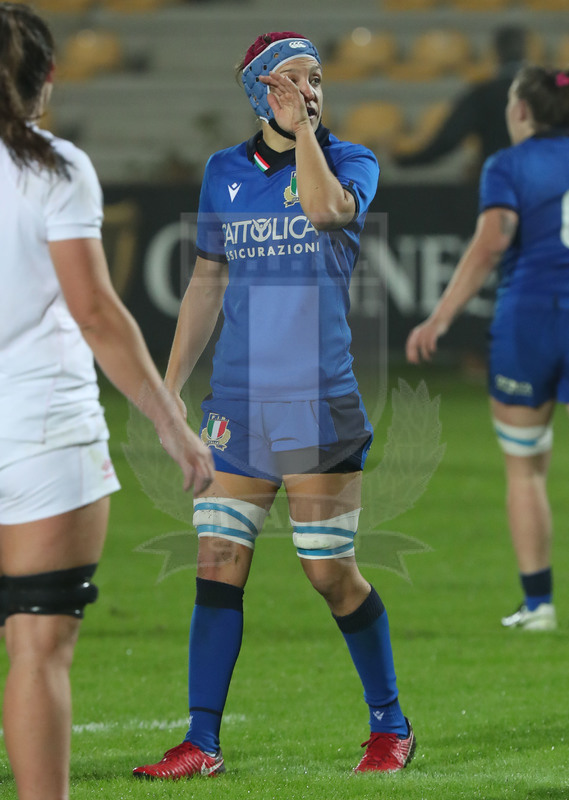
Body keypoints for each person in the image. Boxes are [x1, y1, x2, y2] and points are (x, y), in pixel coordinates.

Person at [132, 31, 415, 780]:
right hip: (237, 404)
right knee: (218, 561)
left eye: (315, 78)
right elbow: (206, 282)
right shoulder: (223, 172)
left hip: (319, 402)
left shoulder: (350, 160)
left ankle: (390, 724)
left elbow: (324, 212)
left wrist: (305, 134)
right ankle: (201, 742)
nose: (309, 90)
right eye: (291, 80)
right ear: (260, 91)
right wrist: (168, 389)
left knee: (329, 574)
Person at [0, 4, 214, 799]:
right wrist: (170, 421)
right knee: (38, 651)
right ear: (48, 77)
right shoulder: (55, 168)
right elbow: (93, 311)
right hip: (42, 433)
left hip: (39, 429)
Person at [406, 65, 569, 632]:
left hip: (529, 323)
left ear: (521, 111)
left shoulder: (507, 165)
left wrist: (440, 318)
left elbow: (491, 243)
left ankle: (539, 606)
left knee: (525, 470)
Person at [393, 26, 528, 179]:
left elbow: (447, 140)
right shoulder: (544, 92)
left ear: (496, 53)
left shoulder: (482, 94)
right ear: (525, 51)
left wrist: (405, 161)